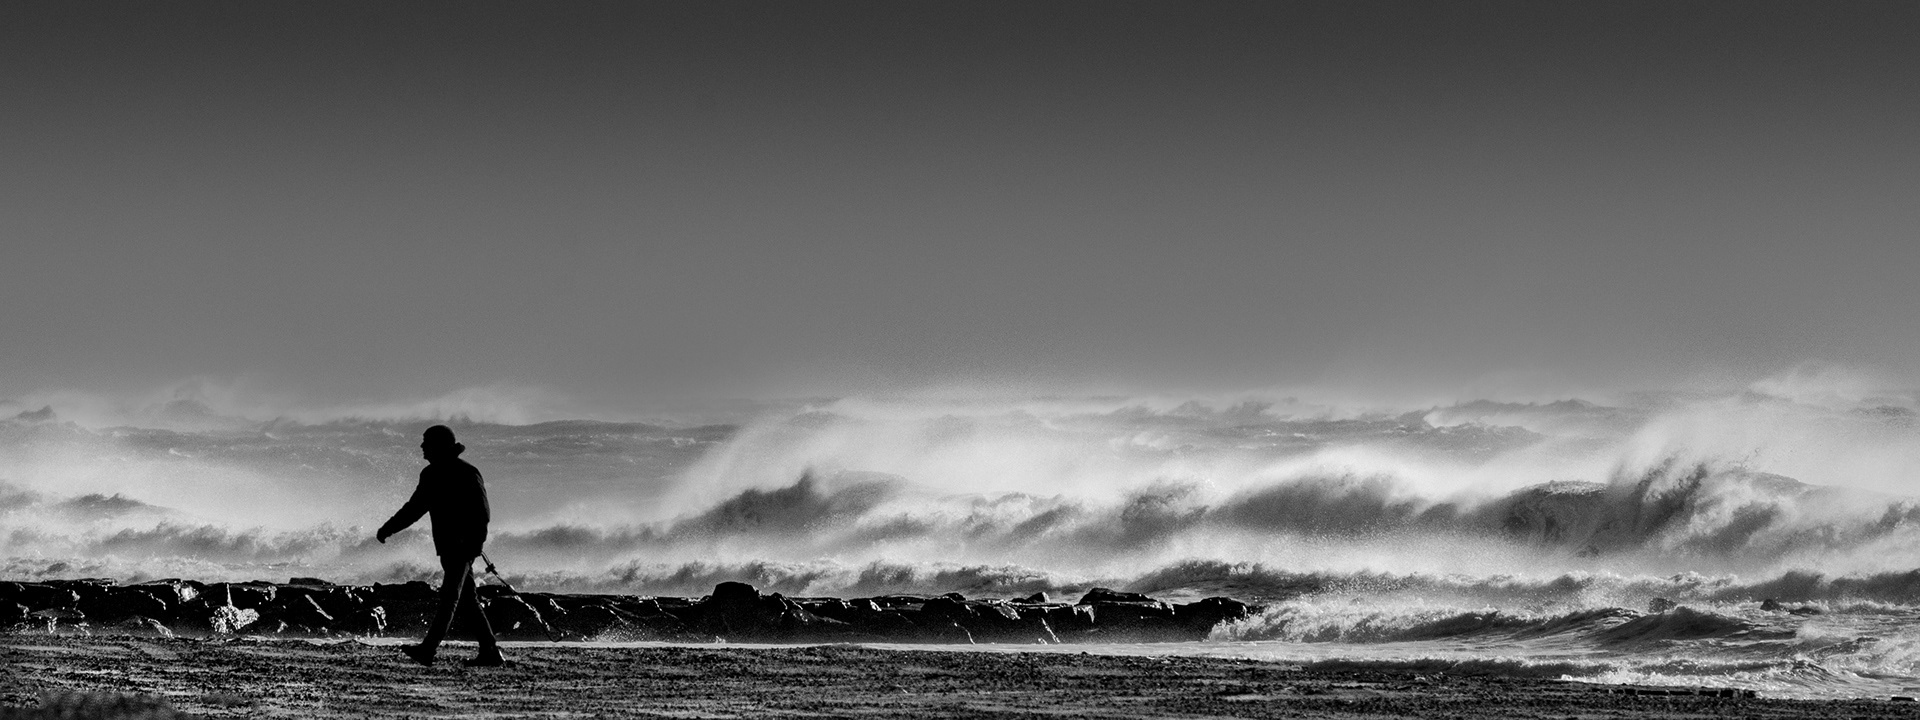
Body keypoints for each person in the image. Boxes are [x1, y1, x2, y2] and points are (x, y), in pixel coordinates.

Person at [377, 425, 505, 667]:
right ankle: (490, 652)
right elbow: (414, 508)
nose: (422, 447)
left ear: (439, 445)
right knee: (467, 600)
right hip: (449, 547)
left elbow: (481, 513)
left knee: (450, 598)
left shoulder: (465, 472)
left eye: (426, 442)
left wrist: (476, 543)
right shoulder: (432, 474)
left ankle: (428, 649)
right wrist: (389, 528)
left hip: (461, 547)